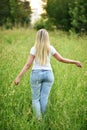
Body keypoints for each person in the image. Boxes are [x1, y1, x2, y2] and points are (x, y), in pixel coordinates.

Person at [14, 29, 82, 120]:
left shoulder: (34, 49)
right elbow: (61, 59)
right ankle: (45, 120)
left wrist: (18, 77)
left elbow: (28, 65)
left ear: (37, 37)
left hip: (36, 74)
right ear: (47, 38)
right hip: (49, 75)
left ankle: (39, 121)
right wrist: (75, 62)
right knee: (44, 99)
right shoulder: (50, 48)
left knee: (35, 99)